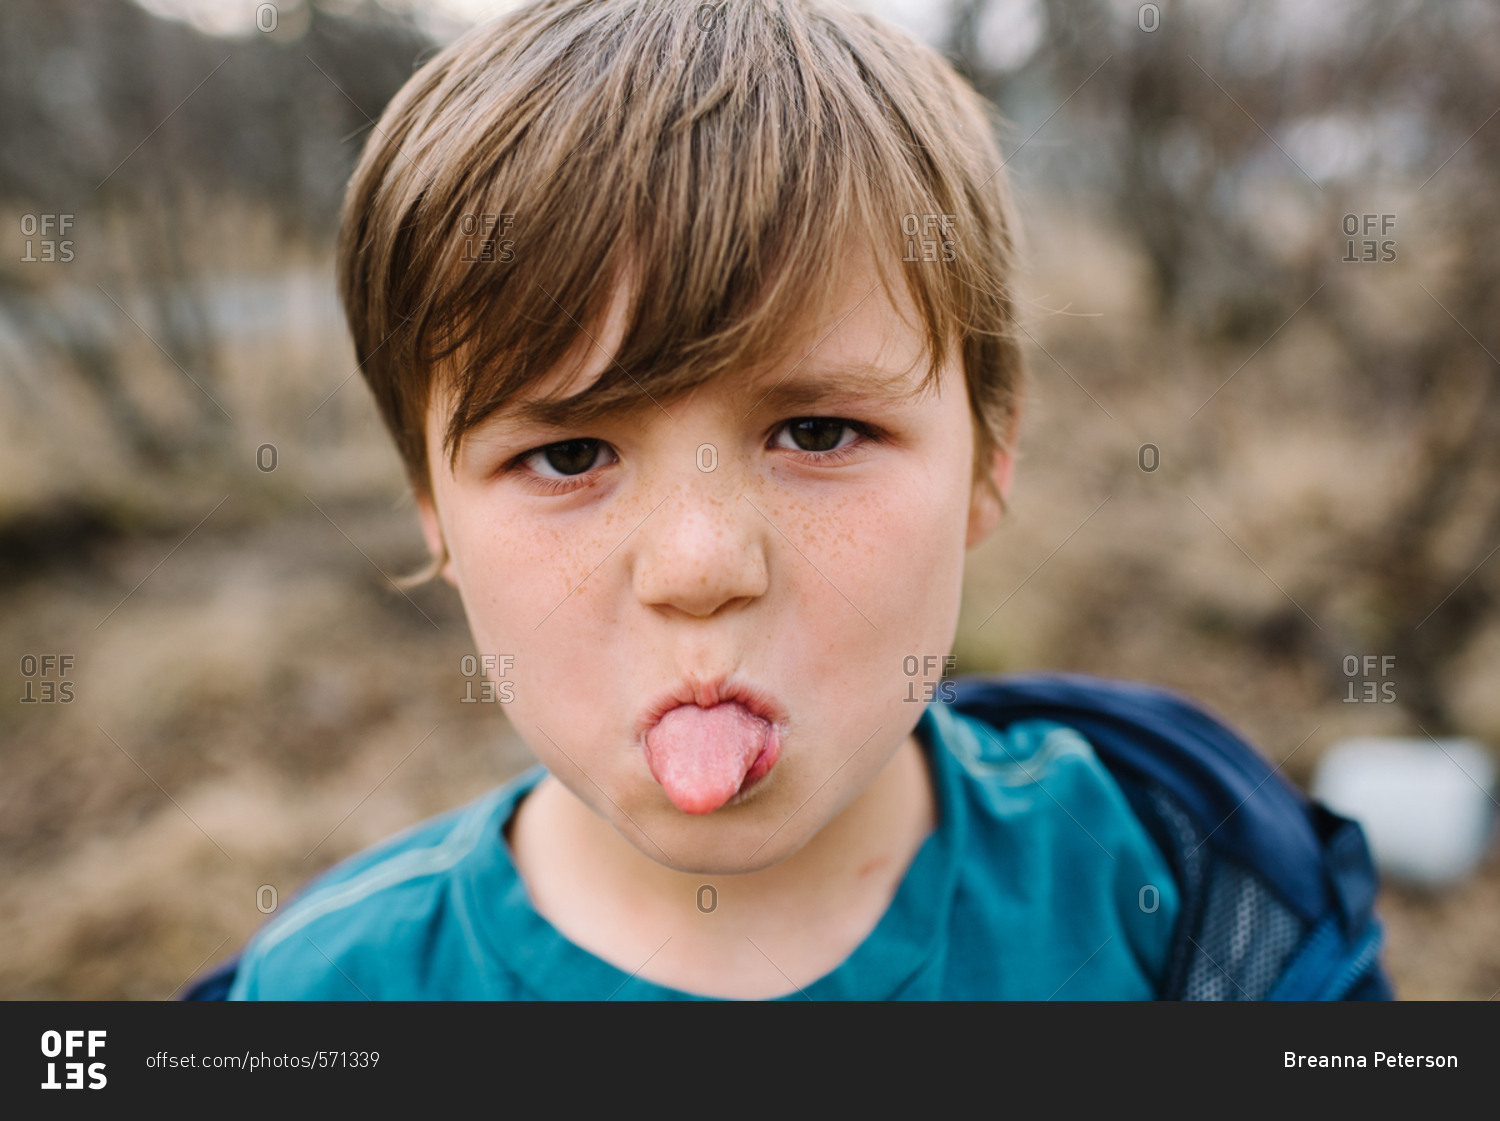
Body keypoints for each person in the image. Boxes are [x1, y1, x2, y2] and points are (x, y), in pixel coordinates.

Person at [195, 0, 1388, 1000]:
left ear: (986, 459)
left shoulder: (1181, 883)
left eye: (817, 431)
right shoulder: (323, 996)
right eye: (568, 457)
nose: (701, 563)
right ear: (433, 516)